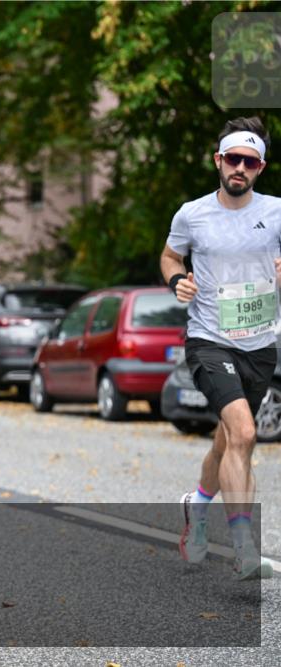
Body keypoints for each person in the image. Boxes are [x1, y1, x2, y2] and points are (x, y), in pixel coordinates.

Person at [161, 116, 281, 580]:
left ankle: (198, 506)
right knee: (246, 435)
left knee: (230, 442)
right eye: (233, 158)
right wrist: (177, 280)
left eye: (249, 162)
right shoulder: (192, 214)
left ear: (260, 167)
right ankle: (244, 549)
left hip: (260, 344)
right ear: (219, 161)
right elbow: (170, 255)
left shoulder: (274, 212)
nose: (240, 168)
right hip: (209, 339)